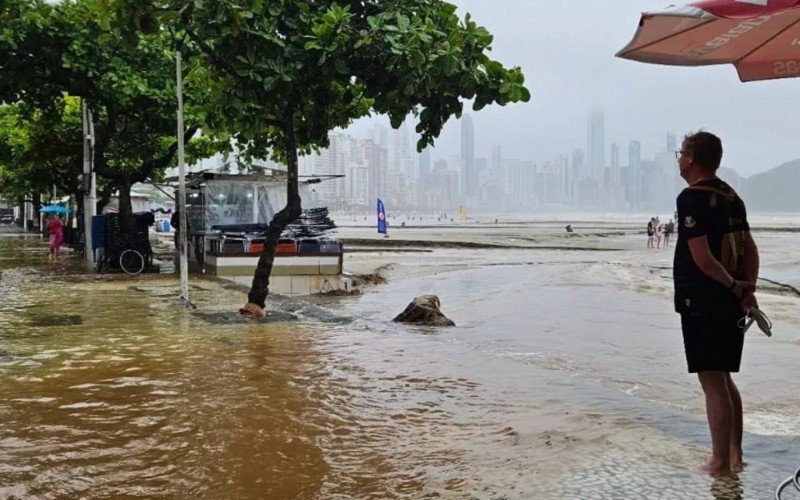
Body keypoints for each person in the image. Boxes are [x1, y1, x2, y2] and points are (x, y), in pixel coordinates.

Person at [673, 131, 759, 475]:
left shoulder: (691, 198)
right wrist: (746, 288)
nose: (679, 159)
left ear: (692, 158)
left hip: (703, 300)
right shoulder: (731, 195)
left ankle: (719, 462)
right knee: (723, 378)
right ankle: (736, 454)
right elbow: (750, 248)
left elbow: (702, 258)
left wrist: (733, 285)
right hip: (729, 301)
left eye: (681, 153)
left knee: (712, 381)